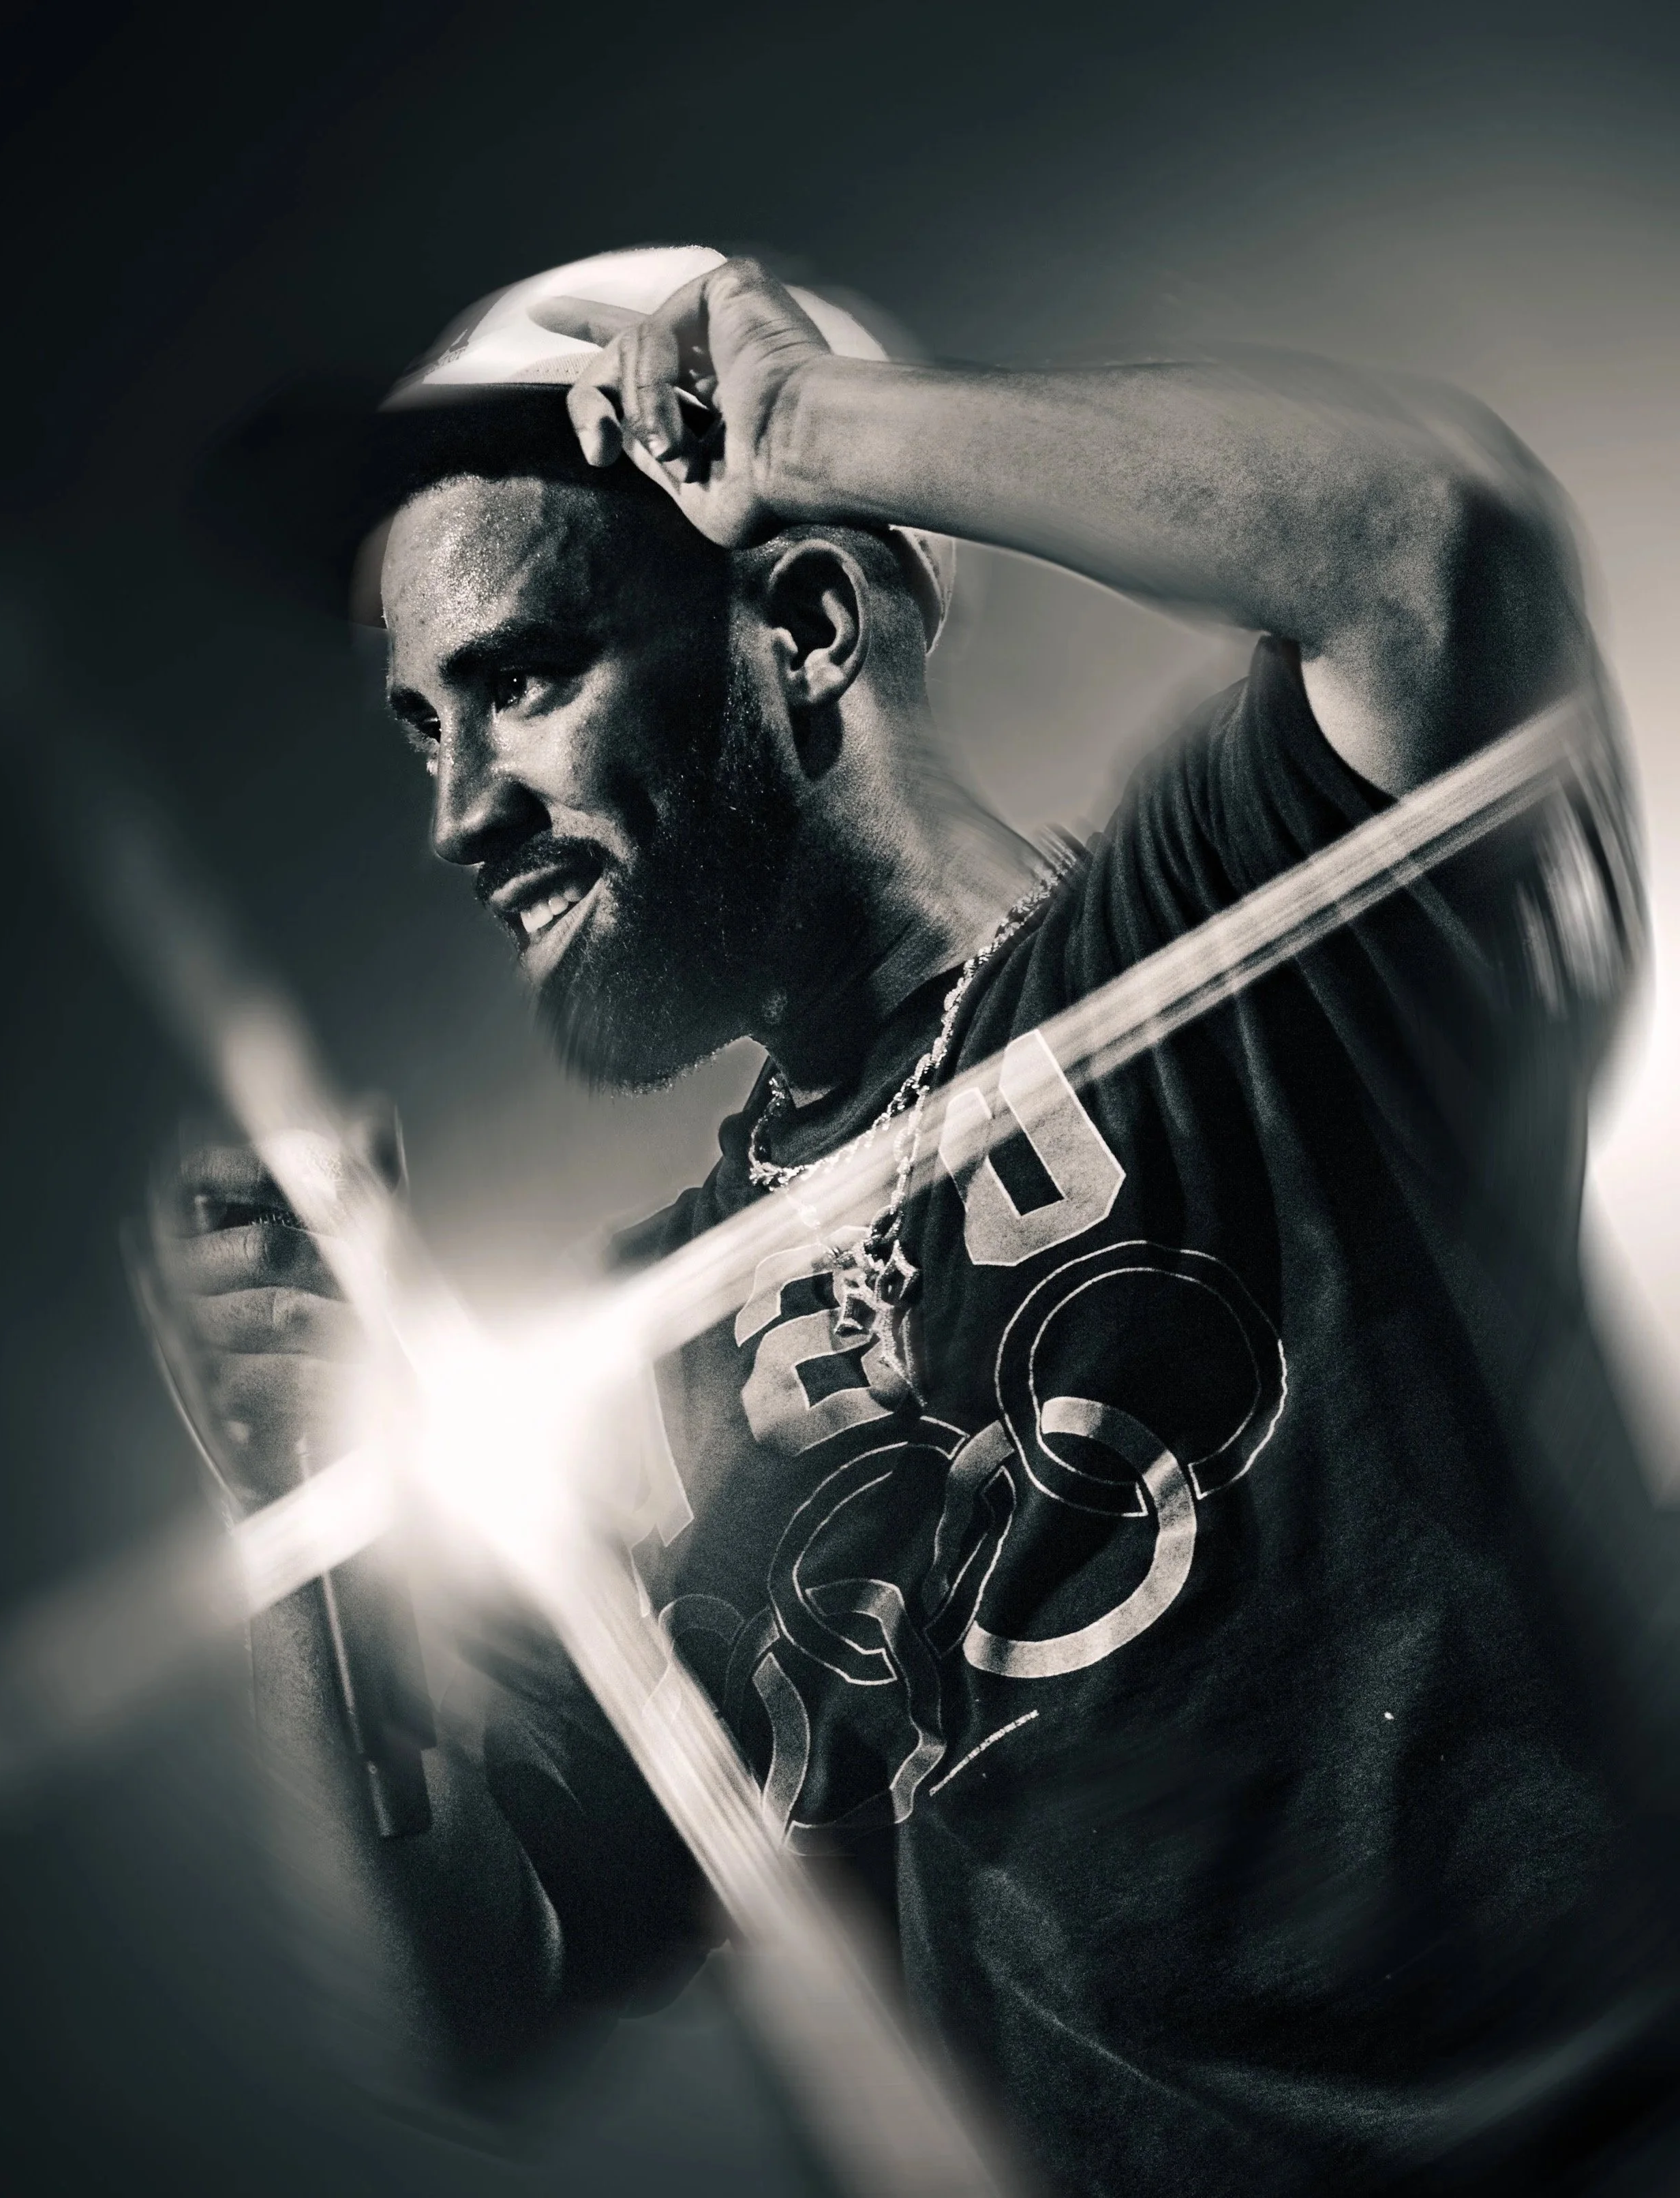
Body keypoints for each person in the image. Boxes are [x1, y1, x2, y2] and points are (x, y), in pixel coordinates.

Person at [153, 245, 1680, 2195]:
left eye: (520, 681)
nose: (459, 813)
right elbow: (502, 1983)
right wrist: (307, 1524)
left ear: (797, 627)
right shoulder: (634, 1356)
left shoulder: (1233, 947)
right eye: (418, 729)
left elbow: (1420, 554)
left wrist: (807, 430)